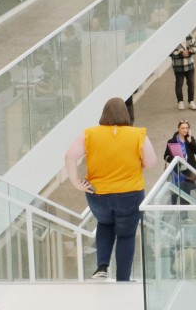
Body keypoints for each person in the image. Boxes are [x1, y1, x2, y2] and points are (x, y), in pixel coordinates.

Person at [65, 98, 157, 281]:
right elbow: (150, 163)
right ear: (126, 114)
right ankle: (122, 279)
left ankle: (102, 266)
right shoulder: (138, 134)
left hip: (98, 194)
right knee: (126, 235)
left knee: (104, 224)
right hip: (130, 194)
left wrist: (76, 182)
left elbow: (69, 156)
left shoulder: (89, 134)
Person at [170, 35, 196, 111]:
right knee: (179, 84)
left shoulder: (189, 36)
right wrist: (181, 53)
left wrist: (190, 51)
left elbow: (195, 47)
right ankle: (180, 101)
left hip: (190, 65)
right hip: (178, 66)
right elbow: (170, 52)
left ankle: (191, 101)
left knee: (191, 83)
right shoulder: (173, 38)